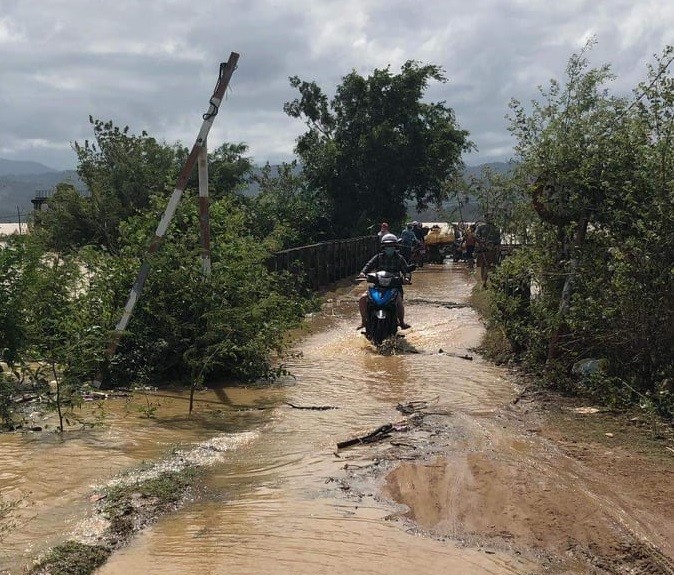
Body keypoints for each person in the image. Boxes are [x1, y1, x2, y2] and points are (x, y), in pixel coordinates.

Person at [356, 233, 411, 330]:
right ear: (383, 247)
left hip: (395, 286)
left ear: (395, 247)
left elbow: (407, 271)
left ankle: (402, 322)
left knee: (398, 301)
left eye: (391, 246)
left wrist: (407, 278)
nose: (389, 248)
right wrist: (362, 273)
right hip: (378, 286)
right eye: (387, 246)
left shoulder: (400, 258)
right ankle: (364, 321)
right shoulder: (378, 257)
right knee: (363, 298)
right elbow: (368, 265)